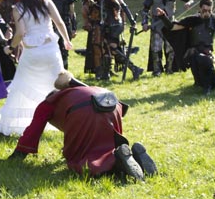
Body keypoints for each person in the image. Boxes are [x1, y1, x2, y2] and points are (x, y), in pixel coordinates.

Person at [8, 71, 157, 180]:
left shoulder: (49, 103)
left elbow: (33, 131)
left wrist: (18, 154)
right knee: (109, 146)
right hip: (112, 103)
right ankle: (126, 155)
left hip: (82, 111)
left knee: (79, 161)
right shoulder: (85, 89)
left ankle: (116, 164)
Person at [0, 0, 73, 135]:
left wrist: (10, 47)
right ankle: (66, 120)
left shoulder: (18, 8)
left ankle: (14, 125)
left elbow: (20, 33)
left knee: (21, 87)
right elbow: (59, 22)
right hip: (51, 49)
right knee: (57, 85)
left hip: (32, 53)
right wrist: (66, 40)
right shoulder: (45, 0)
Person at [87, 0, 143, 80]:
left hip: (114, 26)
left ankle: (134, 68)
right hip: (107, 26)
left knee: (113, 48)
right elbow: (107, 9)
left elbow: (123, 6)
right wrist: (94, 5)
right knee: (106, 49)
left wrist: (132, 21)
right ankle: (106, 74)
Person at [141, 0, 193, 76]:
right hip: (156, 23)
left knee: (170, 48)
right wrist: (144, 23)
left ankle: (170, 69)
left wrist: (188, 3)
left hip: (170, 24)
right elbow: (145, 9)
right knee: (156, 48)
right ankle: (157, 70)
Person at [41, 0, 77, 69]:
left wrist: (74, 27)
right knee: (51, 50)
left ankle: (64, 72)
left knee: (64, 51)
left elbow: (72, 12)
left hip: (65, 23)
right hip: (51, 25)